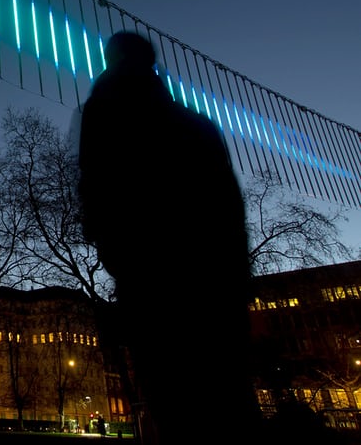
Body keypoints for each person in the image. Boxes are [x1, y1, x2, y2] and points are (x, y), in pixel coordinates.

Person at [77, 31, 258, 445]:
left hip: (150, 272)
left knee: (172, 395)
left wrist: (113, 248)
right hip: (214, 279)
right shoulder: (198, 126)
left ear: (112, 59)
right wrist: (236, 278)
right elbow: (230, 207)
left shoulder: (104, 108)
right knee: (227, 398)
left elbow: (96, 183)